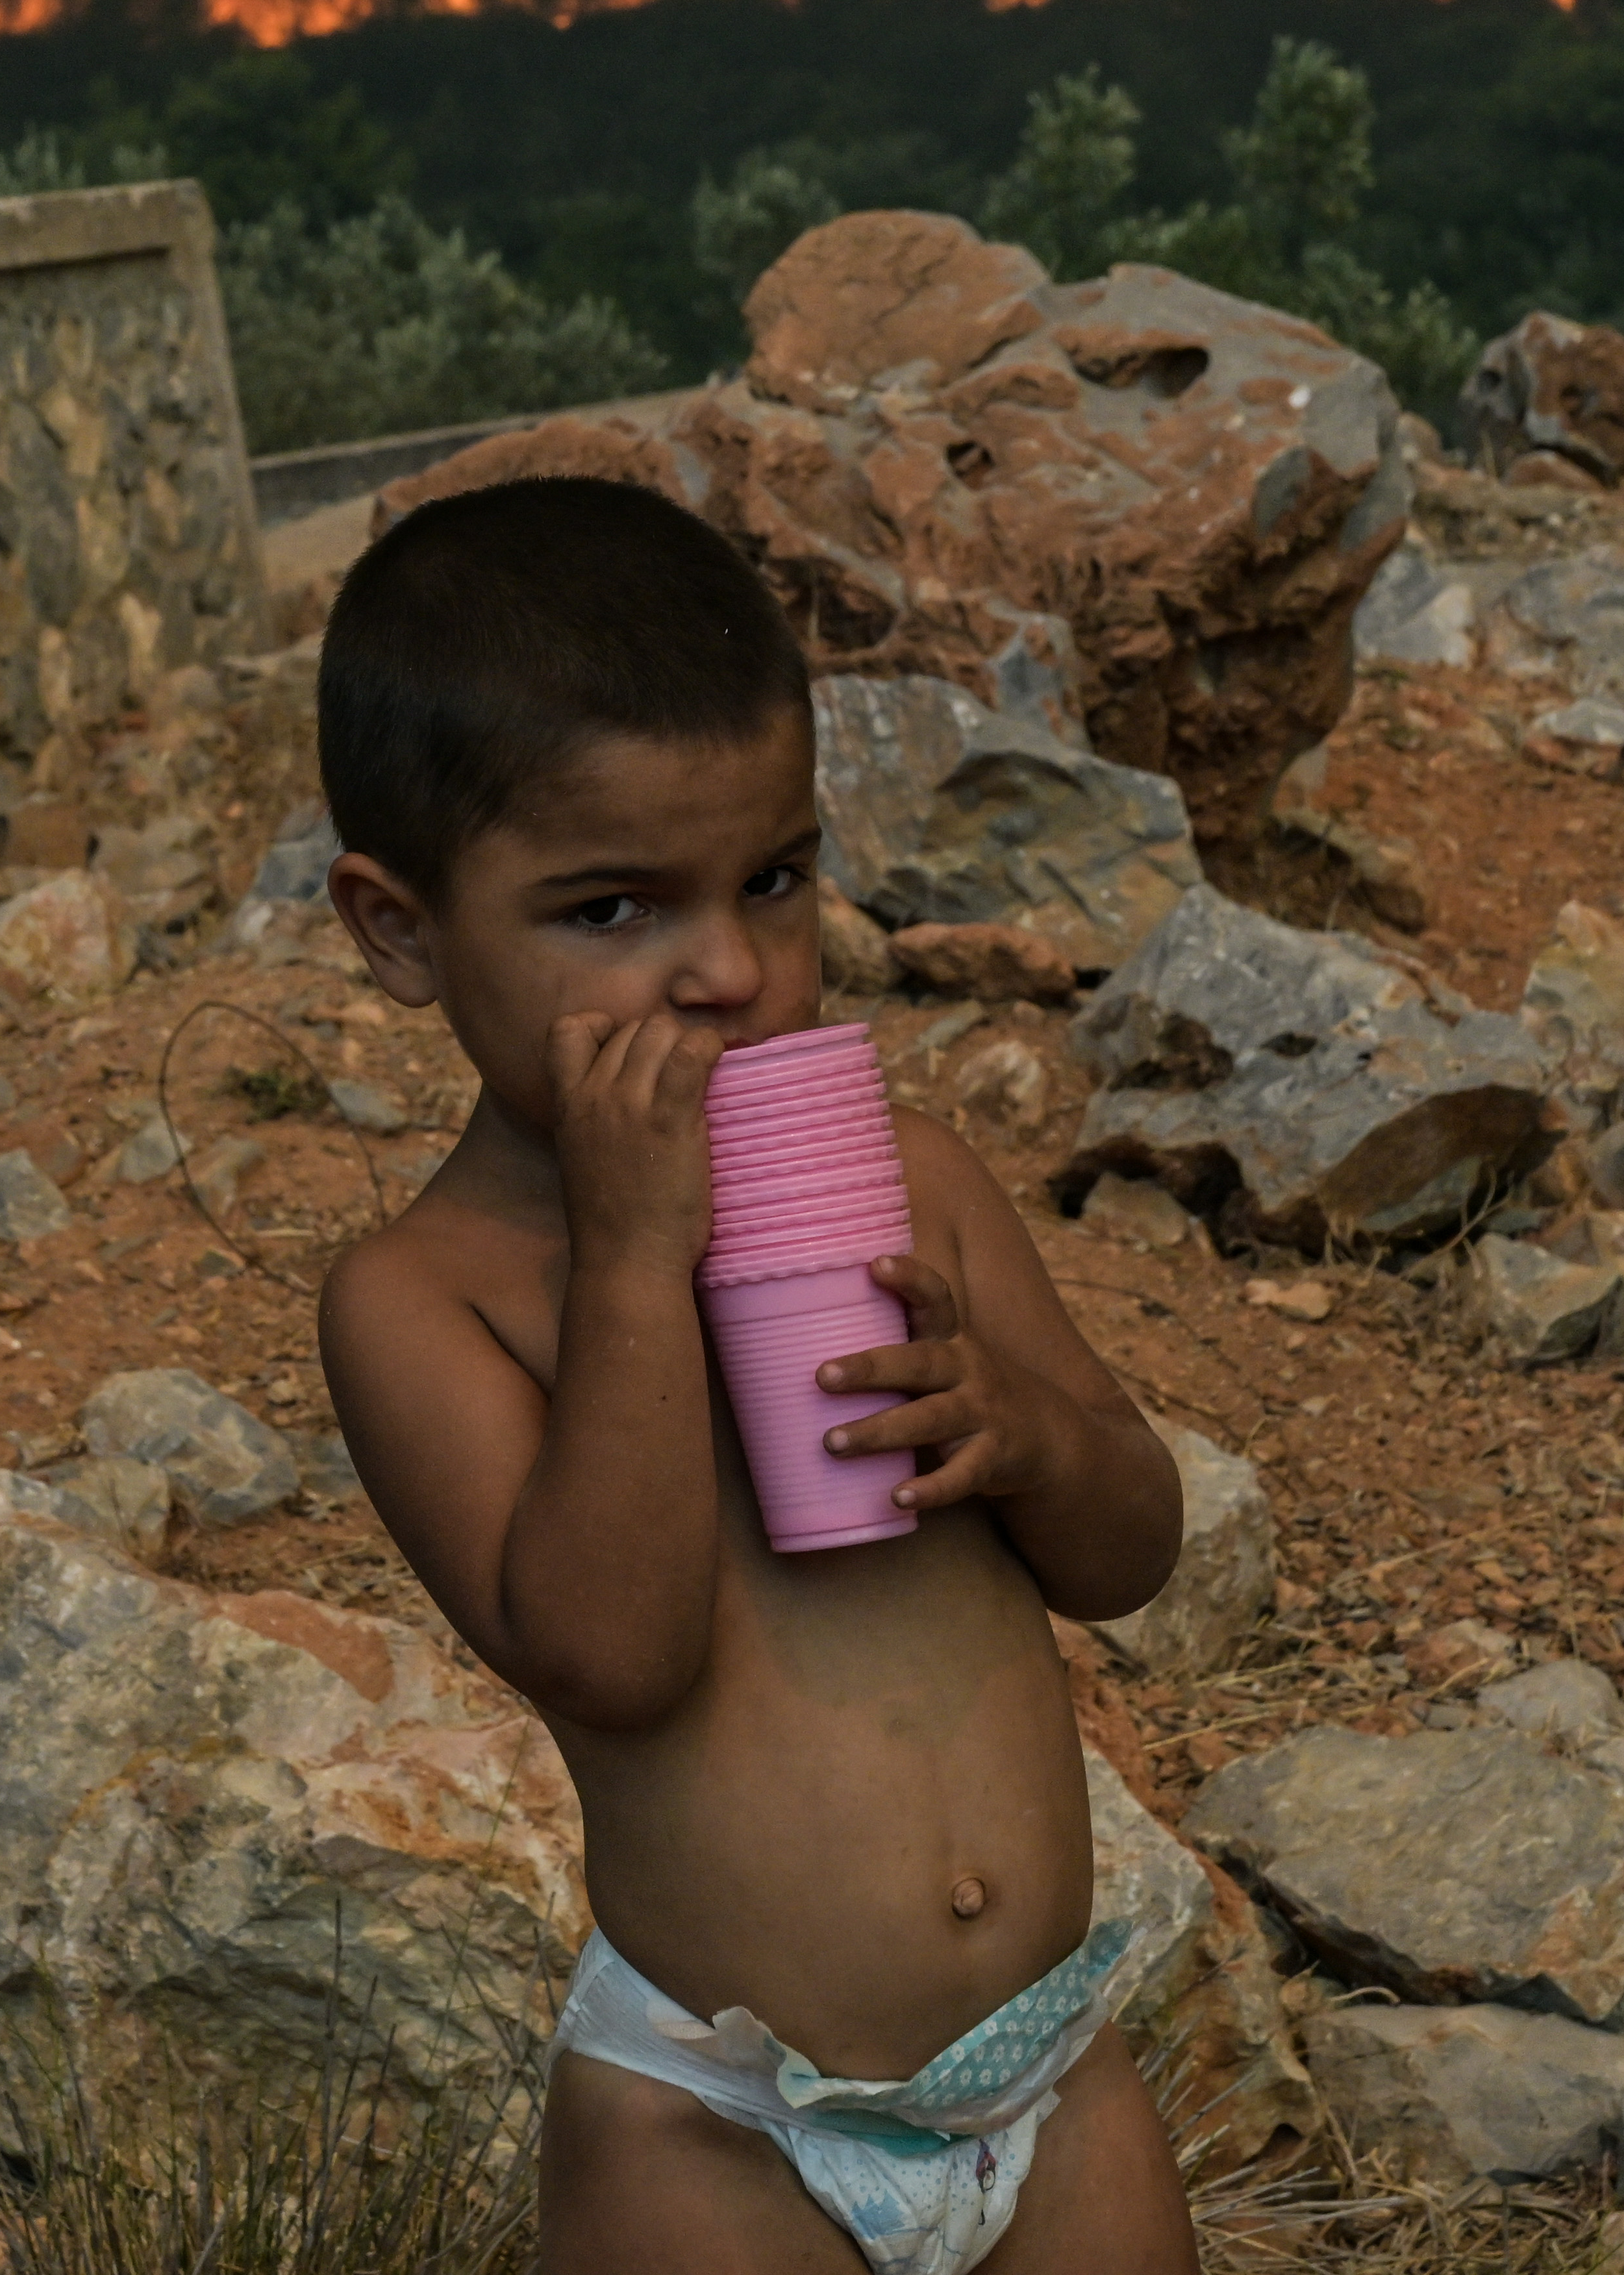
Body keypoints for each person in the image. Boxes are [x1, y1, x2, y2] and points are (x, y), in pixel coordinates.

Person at [311, 472, 1199, 2275]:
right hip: (716, 2130)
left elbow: (1132, 1548)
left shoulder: (920, 1185)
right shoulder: (429, 1301)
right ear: (403, 932)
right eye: (615, 908)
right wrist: (638, 1260)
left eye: (774, 880)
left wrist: (1027, 1440)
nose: (729, 968)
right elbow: (614, 1656)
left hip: (1046, 2074)